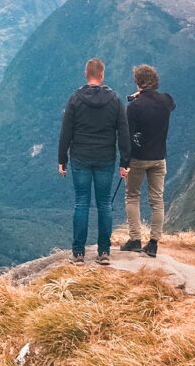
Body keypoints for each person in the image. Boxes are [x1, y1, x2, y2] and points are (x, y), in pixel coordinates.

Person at [57, 58, 130, 266]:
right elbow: (123, 132)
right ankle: (104, 252)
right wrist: (125, 162)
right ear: (102, 75)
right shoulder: (115, 99)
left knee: (81, 203)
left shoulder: (75, 99)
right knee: (104, 204)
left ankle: (78, 253)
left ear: (85, 74)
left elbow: (66, 132)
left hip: (80, 157)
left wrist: (62, 159)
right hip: (105, 158)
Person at [120, 64, 175, 258]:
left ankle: (135, 240)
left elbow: (128, 136)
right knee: (157, 200)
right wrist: (144, 95)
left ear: (137, 82)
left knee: (132, 196)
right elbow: (167, 104)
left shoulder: (133, 107)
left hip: (138, 159)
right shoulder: (166, 100)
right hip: (159, 158)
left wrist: (124, 162)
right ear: (155, 81)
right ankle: (153, 244)